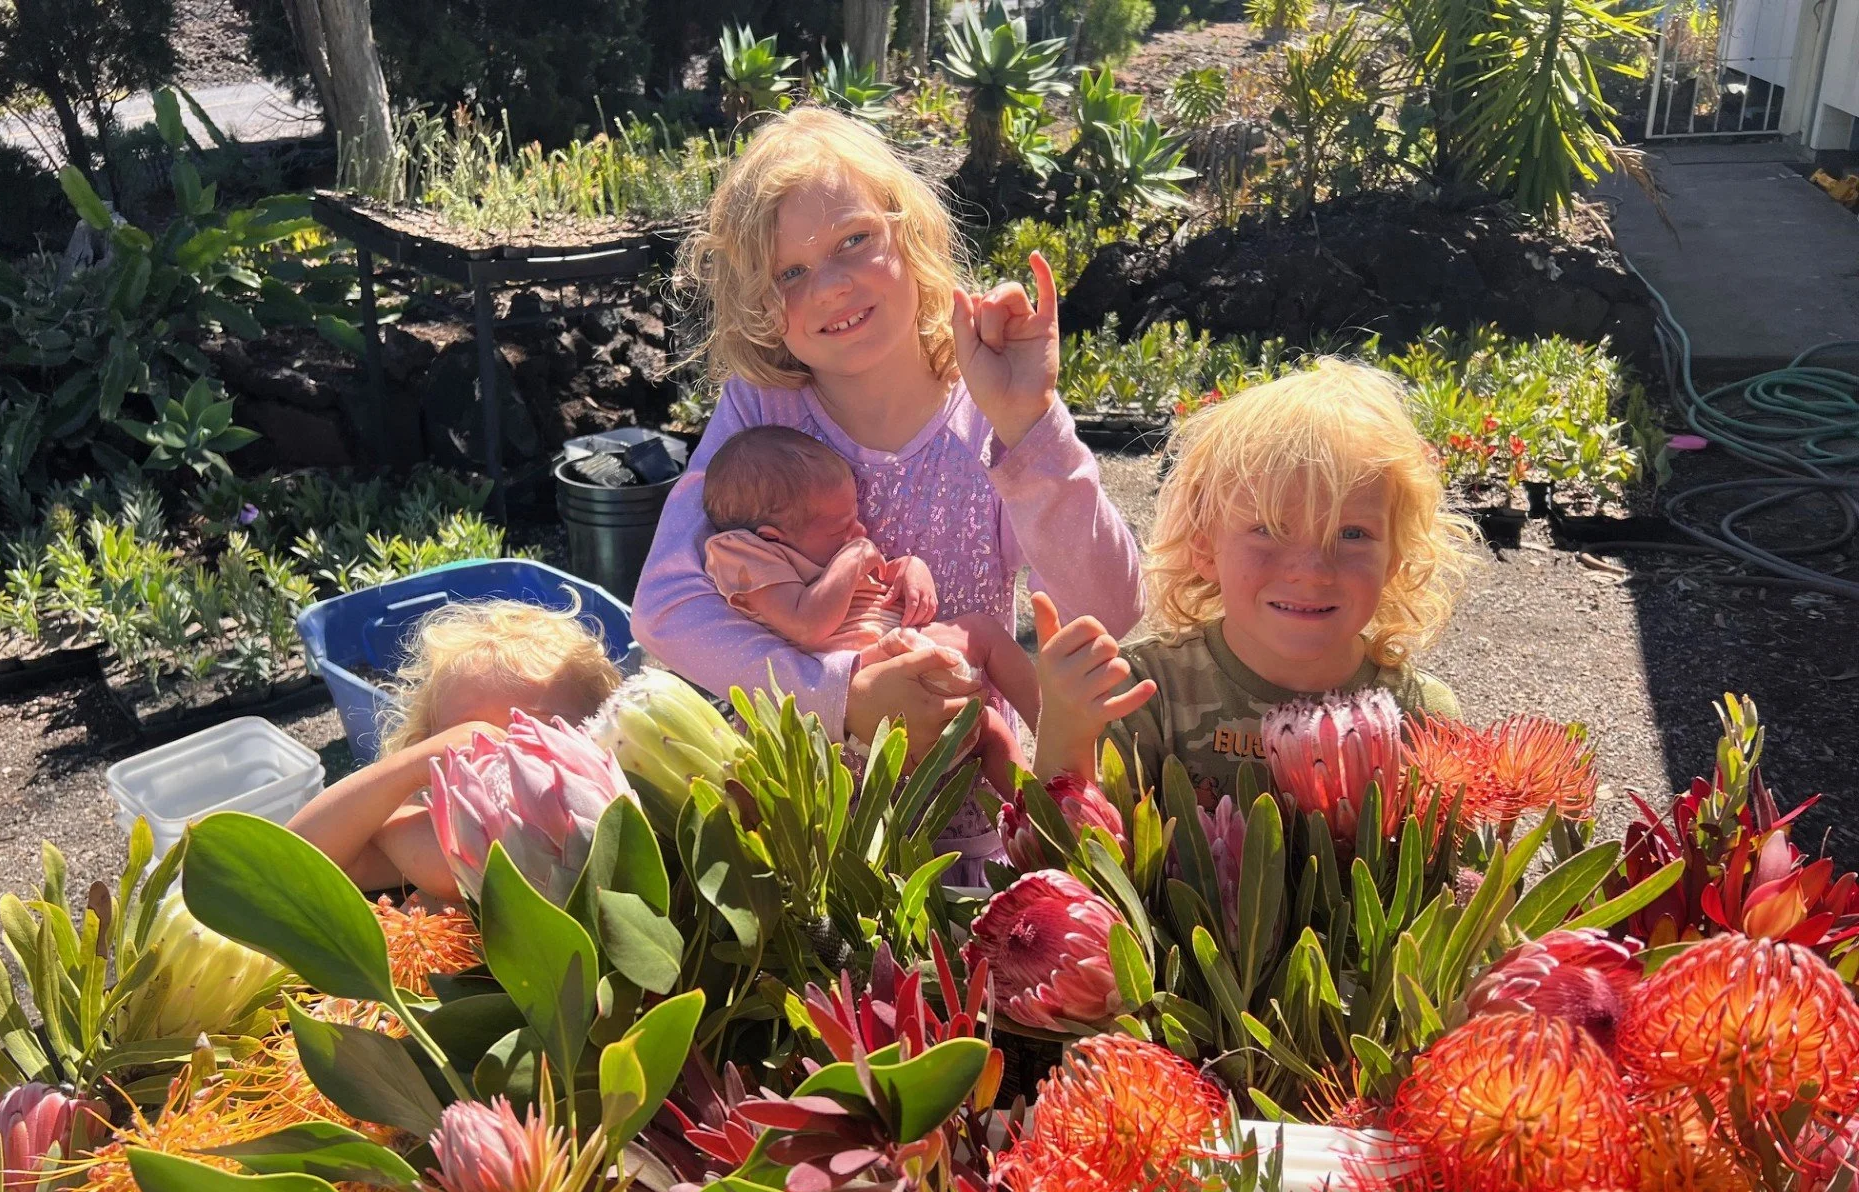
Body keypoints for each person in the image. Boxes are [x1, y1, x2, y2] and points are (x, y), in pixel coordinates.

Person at [631, 105, 1143, 829]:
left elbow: (1110, 611)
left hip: (968, 815)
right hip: (809, 825)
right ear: (758, 306)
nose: (832, 286)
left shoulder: (985, 416)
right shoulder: (761, 409)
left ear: (911, 231)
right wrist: (844, 696)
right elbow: (665, 609)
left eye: (854, 240)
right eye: (791, 272)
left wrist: (1030, 426)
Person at [1034, 358, 1478, 803]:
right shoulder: (1144, 693)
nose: (1311, 570)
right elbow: (1074, 858)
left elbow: (1451, 870)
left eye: (1352, 534)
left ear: (1395, 557)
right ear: (1204, 546)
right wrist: (1064, 733)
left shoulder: (1421, 716)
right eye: (1268, 529)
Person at [700, 424, 1041, 791]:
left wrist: (911, 568)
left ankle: (1049, 778)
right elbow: (807, 624)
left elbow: (883, 573)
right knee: (982, 706)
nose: (859, 530)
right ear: (772, 536)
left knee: (987, 698)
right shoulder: (743, 552)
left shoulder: (829, 552)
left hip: (906, 654)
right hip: (868, 682)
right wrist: (855, 555)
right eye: (842, 528)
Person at [288, 597, 621, 897]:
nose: (502, 755)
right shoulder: (432, 832)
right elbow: (291, 862)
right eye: (463, 737)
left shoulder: (621, 819)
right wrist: (404, 771)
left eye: (536, 731)